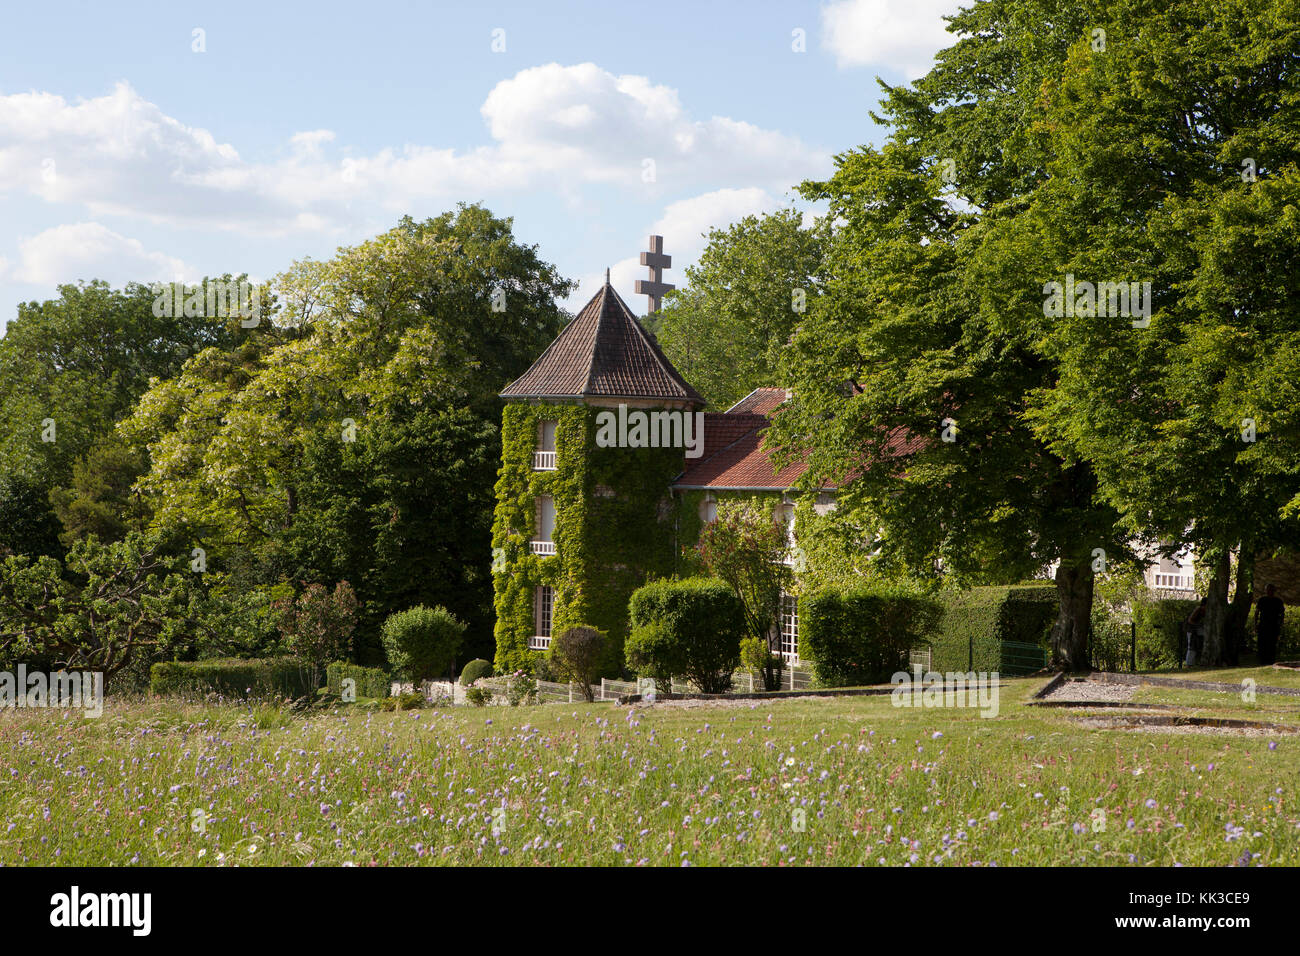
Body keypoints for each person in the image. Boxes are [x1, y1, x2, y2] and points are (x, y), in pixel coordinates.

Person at [1255, 584, 1285, 666]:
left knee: (1272, 643)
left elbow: (1282, 614)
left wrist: (1280, 623)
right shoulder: (1262, 600)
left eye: (1271, 590)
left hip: (1273, 626)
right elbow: (1257, 612)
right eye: (1268, 590)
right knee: (1262, 643)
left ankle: (1271, 660)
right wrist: (1256, 624)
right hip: (1263, 625)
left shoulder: (1278, 601)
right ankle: (1263, 660)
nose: (1269, 592)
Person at [1184, 598, 1207, 667]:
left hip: (1197, 630)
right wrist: (1198, 625)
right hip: (1192, 630)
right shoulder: (1198, 609)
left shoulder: (1204, 611)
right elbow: (1190, 620)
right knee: (1191, 647)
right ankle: (1189, 663)